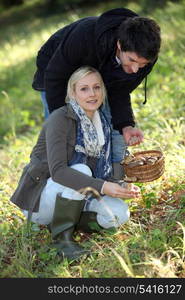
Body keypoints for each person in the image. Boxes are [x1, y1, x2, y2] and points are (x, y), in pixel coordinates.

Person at [11, 66, 140, 261]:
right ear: (72, 93)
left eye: (97, 87)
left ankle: (66, 220)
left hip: (77, 195)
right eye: (84, 88)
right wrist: (104, 187)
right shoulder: (60, 119)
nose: (92, 94)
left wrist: (121, 186)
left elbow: (103, 173)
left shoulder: (102, 123)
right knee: (80, 170)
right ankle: (62, 240)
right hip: (41, 200)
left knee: (118, 214)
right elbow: (59, 172)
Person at [32, 7, 161, 166]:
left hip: (98, 76)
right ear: (119, 45)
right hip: (56, 71)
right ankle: (48, 177)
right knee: (61, 135)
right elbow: (54, 77)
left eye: (142, 64)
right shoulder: (84, 36)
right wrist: (64, 123)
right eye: (132, 60)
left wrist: (126, 125)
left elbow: (120, 91)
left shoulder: (145, 57)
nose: (135, 70)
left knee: (112, 127)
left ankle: (113, 176)